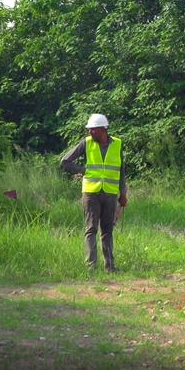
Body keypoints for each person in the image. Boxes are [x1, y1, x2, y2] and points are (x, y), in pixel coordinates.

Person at [60, 113, 127, 272]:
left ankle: (110, 267)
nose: (90, 132)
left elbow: (121, 170)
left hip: (110, 193)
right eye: (89, 129)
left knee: (107, 230)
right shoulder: (86, 143)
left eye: (93, 129)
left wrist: (122, 193)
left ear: (103, 129)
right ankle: (91, 268)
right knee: (91, 229)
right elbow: (65, 161)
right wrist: (83, 170)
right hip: (91, 193)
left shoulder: (117, 144)